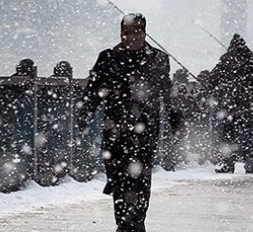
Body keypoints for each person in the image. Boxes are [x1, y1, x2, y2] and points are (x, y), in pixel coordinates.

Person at [75, 13, 177, 232]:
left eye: (136, 32)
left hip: (145, 132)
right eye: (126, 33)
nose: (131, 37)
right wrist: (84, 116)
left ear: (144, 33)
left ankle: (135, 223)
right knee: (119, 181)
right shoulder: (108, 58)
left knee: (140, 180)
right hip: (115, 132)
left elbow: (166, 92)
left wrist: (174, 116)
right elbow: (93, 92)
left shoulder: (158, 59)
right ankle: (124, 222)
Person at [206, 34, 253, 173]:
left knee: (228, 137)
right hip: (250, 106)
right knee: (250, 137)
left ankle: (228, 164)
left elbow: (211, 79)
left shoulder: (226, 60)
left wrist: (219, 88)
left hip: (230, 106)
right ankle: (250, 164)